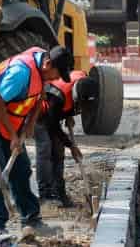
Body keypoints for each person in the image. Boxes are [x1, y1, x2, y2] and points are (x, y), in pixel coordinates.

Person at [0, 44, 72, 236]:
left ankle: (31, 220)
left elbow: (39, 98)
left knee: (21, 168)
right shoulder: (21, 73)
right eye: (57, 73)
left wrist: (30, 123)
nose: (57, 79)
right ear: (48, 64)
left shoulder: (43, 68)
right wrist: (14, 136)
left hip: (6, 114)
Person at [34, 70, 98, 206]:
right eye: (80, 104)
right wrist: (71, 146)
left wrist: (69, 114)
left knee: (58, 151)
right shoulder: (57, 95)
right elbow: (52, 125)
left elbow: (79, 104)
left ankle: (59, 193)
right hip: (39, 112)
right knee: (45, 149)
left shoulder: (87, 83)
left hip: (55, 112)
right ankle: (46, 194)